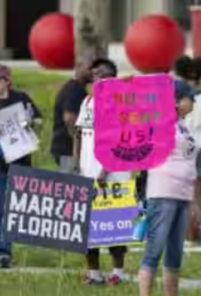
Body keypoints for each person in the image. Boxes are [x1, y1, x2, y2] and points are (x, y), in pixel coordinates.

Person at [138, 79, 201, 296]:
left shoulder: (184, 127)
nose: (195, 101)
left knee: (175, 254)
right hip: (163, 193)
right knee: (154, 250)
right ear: (176, 101)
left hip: (183, 195)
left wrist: (195, 202)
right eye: (190, 98)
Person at [73, 58, 130, 285]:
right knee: (89, 229)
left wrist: (105, 171)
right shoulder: (87, 102)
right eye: (95, 74)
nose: (98, 78)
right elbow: (78, 134)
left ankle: (118, 273)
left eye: (104, 75)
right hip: (87, 173)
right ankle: (94, 274)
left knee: (113, 228)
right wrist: (75, 163)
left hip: (113, 176)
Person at [0, 63, 42, 269]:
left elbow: (39, 121)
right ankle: (1, 251)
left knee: (14, 208)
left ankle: (4, 247)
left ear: (7, 81)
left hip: (19, 161)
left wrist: (31, 123)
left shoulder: (21, 98)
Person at [174, 55, 201, 243]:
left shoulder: (177, 97)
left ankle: (181, 238)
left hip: (181, 148)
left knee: (178, 198)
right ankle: (193, 239)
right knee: (196, 198)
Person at [51, 56, 93, 171]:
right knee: (72, 184)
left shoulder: (76, 88)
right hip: (67, 149)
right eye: (90, 68)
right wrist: (78, 146)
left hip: (64, 148)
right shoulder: (75, 89)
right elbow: (69, 118)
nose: (93, 72)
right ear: (78, 67)